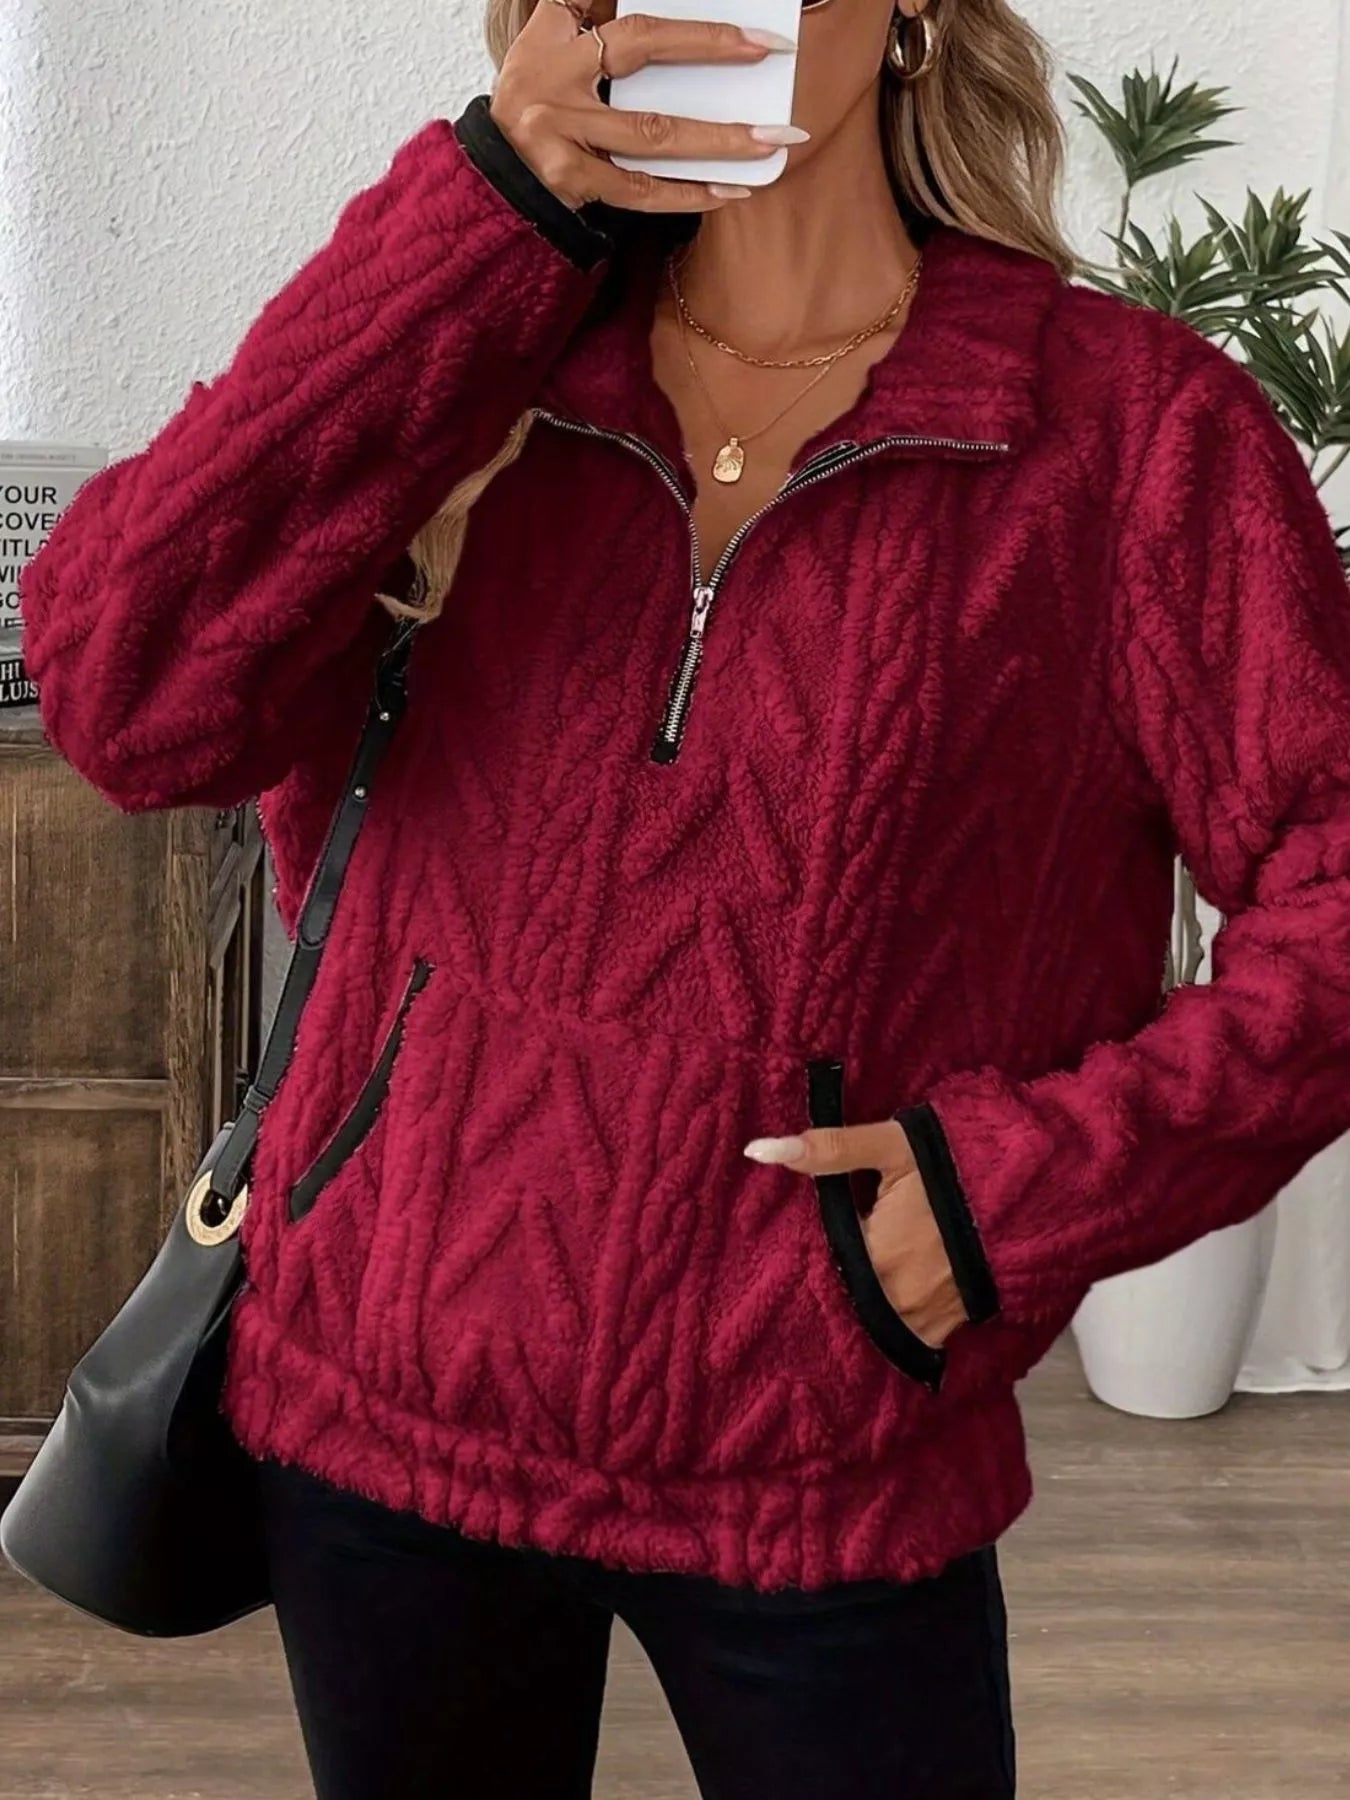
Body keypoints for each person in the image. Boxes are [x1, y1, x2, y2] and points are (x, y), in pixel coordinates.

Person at [20, 0, 1350, 1793]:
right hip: (381, 1415)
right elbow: (119, 697)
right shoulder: (468, 349)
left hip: (819, 1446)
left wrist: (1006, 1197)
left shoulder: (1126, 439)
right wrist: (483, 211)